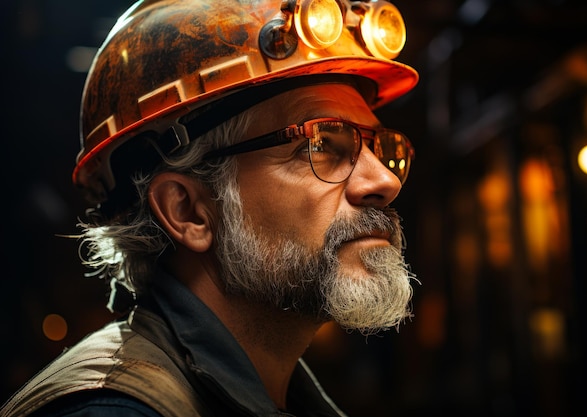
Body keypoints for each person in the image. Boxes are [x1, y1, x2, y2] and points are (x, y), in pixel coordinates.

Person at [1, 0, 419, 415]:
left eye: (380, 148)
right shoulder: (113, 411)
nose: (385, 180)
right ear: (188, 212)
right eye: (320, 144)